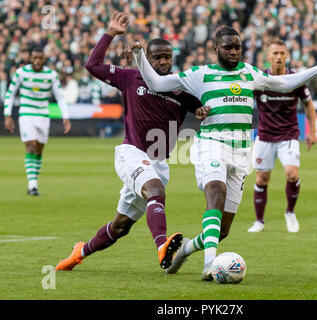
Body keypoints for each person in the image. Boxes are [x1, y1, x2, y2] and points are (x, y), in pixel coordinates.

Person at [131, 26, 317, 280]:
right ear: (215, 49)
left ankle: (186, 250)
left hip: (241, 151)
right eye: (228, 47)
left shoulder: (250, 73)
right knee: (215, 192)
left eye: (238, 47)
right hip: (211, 143)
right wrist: (139, 56)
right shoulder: (199, 75)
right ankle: (209, 265)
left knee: (222, 230)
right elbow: (156, 82)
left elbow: (285, 83)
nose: (234, 52)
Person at [55, 13, 208, 272]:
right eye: (157, 57)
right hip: (131, 153)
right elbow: (92, 65)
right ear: (147, 59)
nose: (162, 61)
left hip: (158, 162)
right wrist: (111, 33)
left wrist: (203, 111)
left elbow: (201, 108)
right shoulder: (129, 77)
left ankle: (79, 252)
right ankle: (162, 247)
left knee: (120, 227)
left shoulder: (181, 88)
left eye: (167, 57)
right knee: (156, 191)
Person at [248, 39, 317, 234]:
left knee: (292, 174)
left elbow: (308, 104)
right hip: (265, 135)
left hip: (288, 134)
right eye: (275, 53)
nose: (278, 57)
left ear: (286, 56)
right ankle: (259, 221)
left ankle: (290, 212)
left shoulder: (295, 79)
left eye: (282, 53)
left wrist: (313, 131)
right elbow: (244, 102)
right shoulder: (260, 80)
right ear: (268, 56)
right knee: (262, 179)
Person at [3, 47, 71, 196]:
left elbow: (60, 96)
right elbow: (10, 93)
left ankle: (33, 182)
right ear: (30, 58)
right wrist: (7, 115)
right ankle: (32, 185)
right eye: (35, 58)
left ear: (44, 59)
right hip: (26, 113)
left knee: (39, 149)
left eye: (40, 58)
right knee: (31, 146)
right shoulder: (21, 73)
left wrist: (65, 117)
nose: (37, 61)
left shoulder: (51, 75)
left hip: (43, 114)